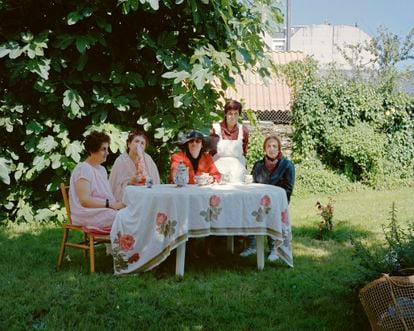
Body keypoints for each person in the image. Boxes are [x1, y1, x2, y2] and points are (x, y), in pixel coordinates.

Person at [239, 134, 295, 261]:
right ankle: (252, 246)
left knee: (272, 213)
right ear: (264, 149)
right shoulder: (258, 165)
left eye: (274, 146)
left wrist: (274, 201)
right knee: (249, 210)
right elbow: (253, 186)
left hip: (277, 203)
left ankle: (274, 248)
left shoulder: (287, 165)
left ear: (279, 149)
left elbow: (288, 189)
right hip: (258, 202)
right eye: (269, 146)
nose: (271, 149)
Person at [69, 131, 125, 228]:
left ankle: (127, 242)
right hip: (86, 213)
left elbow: (105, 195)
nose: (107, 153)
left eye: (107, 149)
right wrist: (111, 205)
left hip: (101, 210)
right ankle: (126, 242)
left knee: (132, 212)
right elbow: (85, 201)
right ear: (92, 150)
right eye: (103, 149)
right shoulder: (83, 169)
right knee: (126, 217)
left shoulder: (102, 170)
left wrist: (115, 204)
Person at [109, 130, 160, 201]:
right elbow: (115, 186)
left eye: (142, 143)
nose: (139, 145)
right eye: (136, 141)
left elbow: (155, 182)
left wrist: (146, 179)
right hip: (126, 200)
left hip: (146, 197)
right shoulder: (120, 161)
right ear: (129, 144)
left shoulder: (148, 159)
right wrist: (130, 182)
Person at [210, 100, 249, 183]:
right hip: (219, 173)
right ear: (225, 114)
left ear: (239, 115)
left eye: (236, 113)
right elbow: (211, 153)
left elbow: (244, 152)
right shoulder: (216, 129)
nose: (233, 117)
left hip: (238, 174)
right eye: (230, 113)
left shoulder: (243, 130)